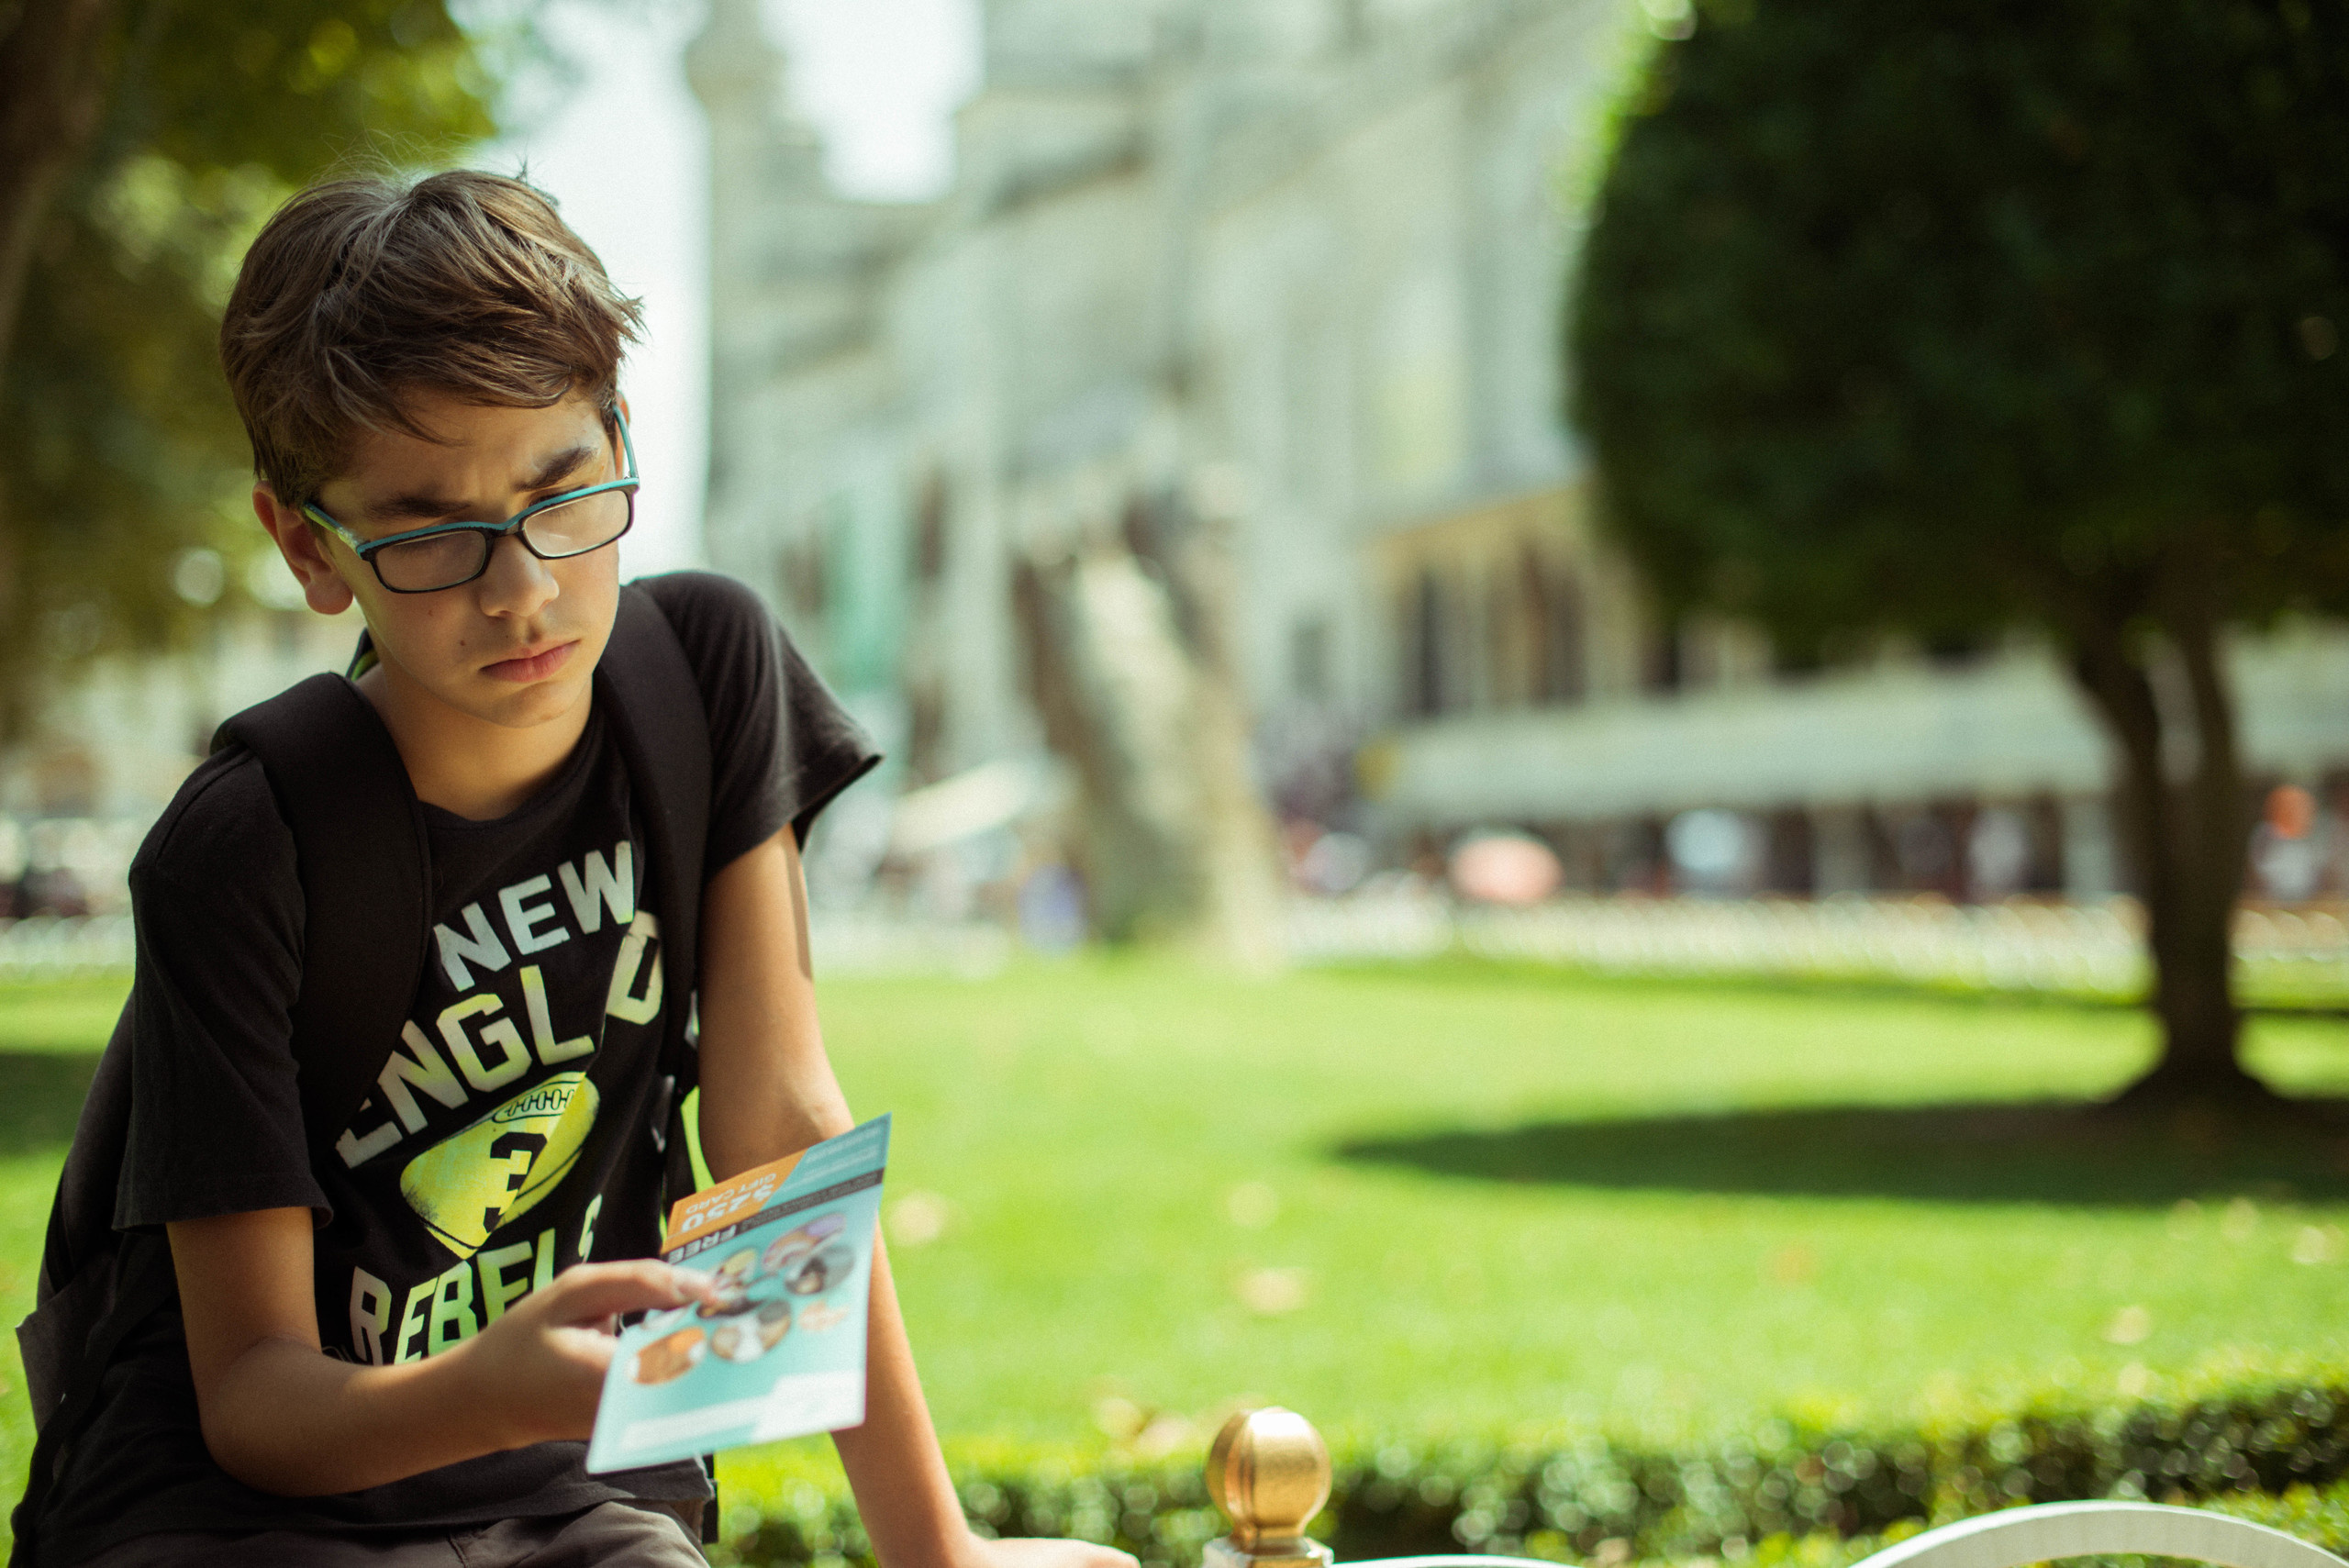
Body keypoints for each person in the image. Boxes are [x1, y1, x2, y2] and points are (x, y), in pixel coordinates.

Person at [23, 169, 1138, 1568]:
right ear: (309, 545)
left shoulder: (705, 678)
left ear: (622, 439)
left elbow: (777, 1124)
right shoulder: (242, 845)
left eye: (563, 495)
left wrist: (940, 1551)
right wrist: (483, 1386)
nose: (523, 589)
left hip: (570, 1485)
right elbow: (252, 1398)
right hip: (235, 1517)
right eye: (432, 535)